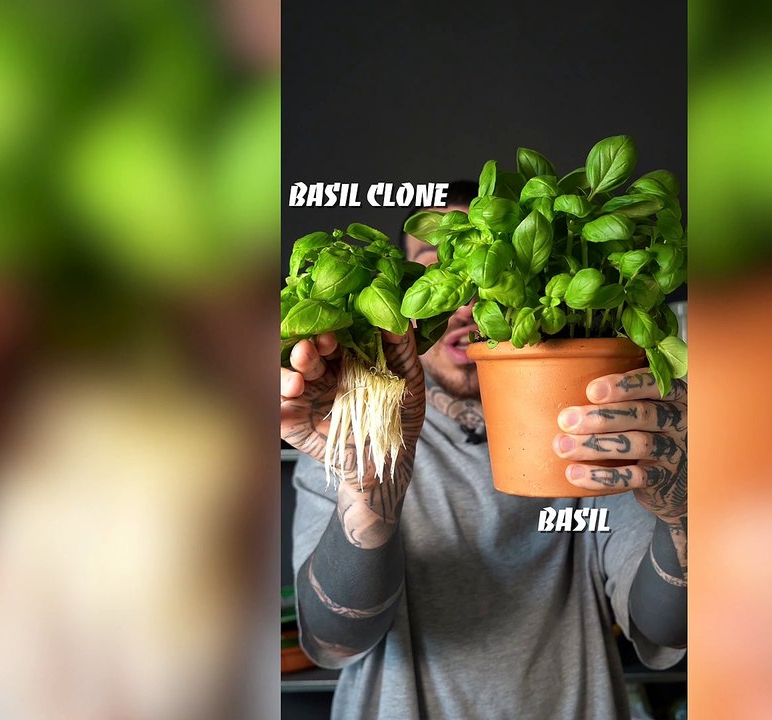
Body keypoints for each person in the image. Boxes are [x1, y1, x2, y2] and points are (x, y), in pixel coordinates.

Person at [280, 181, 689, 719]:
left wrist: (685, 513)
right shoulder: (350, 435)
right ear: (400, 299)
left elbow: (664, 626)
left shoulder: (590, 430)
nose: (469, 300)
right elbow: (335, 641)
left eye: (495, 267)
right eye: (438, 268)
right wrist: (369, 487)